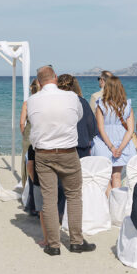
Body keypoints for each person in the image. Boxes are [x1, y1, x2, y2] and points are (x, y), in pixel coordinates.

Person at [27, 65, 95, 256]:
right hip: (67, 152)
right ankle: (76, 241)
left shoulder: (32, 100)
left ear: (39, 82)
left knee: (49, 199)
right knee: (73, 196)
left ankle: (54, 244)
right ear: (55, 78)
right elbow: (78, 117)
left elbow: (33, 126)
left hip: (44, 153)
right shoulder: (72, 97)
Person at [91, 75, 136, 189]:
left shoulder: (101, 104)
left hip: (104, 143)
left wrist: (111, 147)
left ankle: (108, 204)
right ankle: (117, 204)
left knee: (105, 177)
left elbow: (100, 128)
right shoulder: (127, 105)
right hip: (122, 143)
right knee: (117, 176)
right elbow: (130, 130)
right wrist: (120, 148)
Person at [57, 74, 97, 159]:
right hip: (81, 146)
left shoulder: (56, 103)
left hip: (61, 147)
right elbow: (92, 127)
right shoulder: (82, 102)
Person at [19, 79, 41, 181]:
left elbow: (22, 123)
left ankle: (26, 186)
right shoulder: (44, 102)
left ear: (31, 89)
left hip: (29, 133)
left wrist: (24, 133)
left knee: (27, 160)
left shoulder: (27, 103)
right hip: (41, 132)